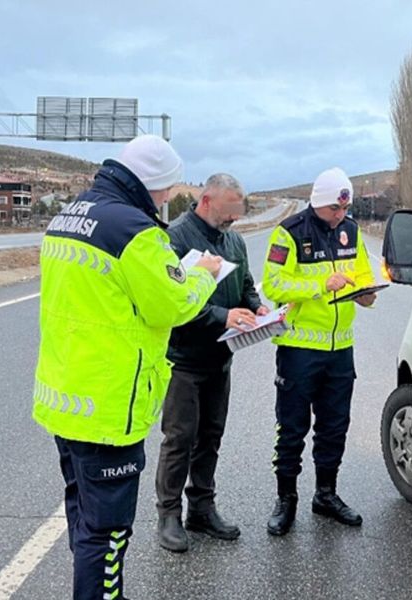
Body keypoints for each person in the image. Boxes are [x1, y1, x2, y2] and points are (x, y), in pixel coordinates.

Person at [31, 135, 221, 600]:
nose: (166, 198)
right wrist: (203, 275)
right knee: (108, 534)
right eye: (165, 190)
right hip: (109, 408)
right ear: (150, 183)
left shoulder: (67, 217)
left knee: (83, 518)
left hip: (66, 396)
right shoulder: (136, 231)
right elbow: (172, 306)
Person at [154, 173, 268, 552]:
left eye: (238, 213)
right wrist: (222, 316)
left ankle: (201, 508)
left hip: (221, 358)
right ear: (206, 201)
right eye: (228, 212)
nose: (234, 219)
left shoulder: (234, 241)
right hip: (183, 360)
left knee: (210, 437)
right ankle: (168, 514)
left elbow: (246, 284)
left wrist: (258, 307)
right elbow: (174, 302)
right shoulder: (175, 238)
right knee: (179, 439)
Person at [260, 167, 377, 536]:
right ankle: (286, 499)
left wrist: (367, 293)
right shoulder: (289, 232)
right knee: (292, 428)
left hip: (341, 347)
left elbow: (361, 277)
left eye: (344, 209)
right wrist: (319, 284)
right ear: (317, 203)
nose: (339, 216)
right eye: (333, 210)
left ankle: (326, 494)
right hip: (299, 350)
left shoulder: (352, 231)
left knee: (335, 426)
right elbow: (273, 285)